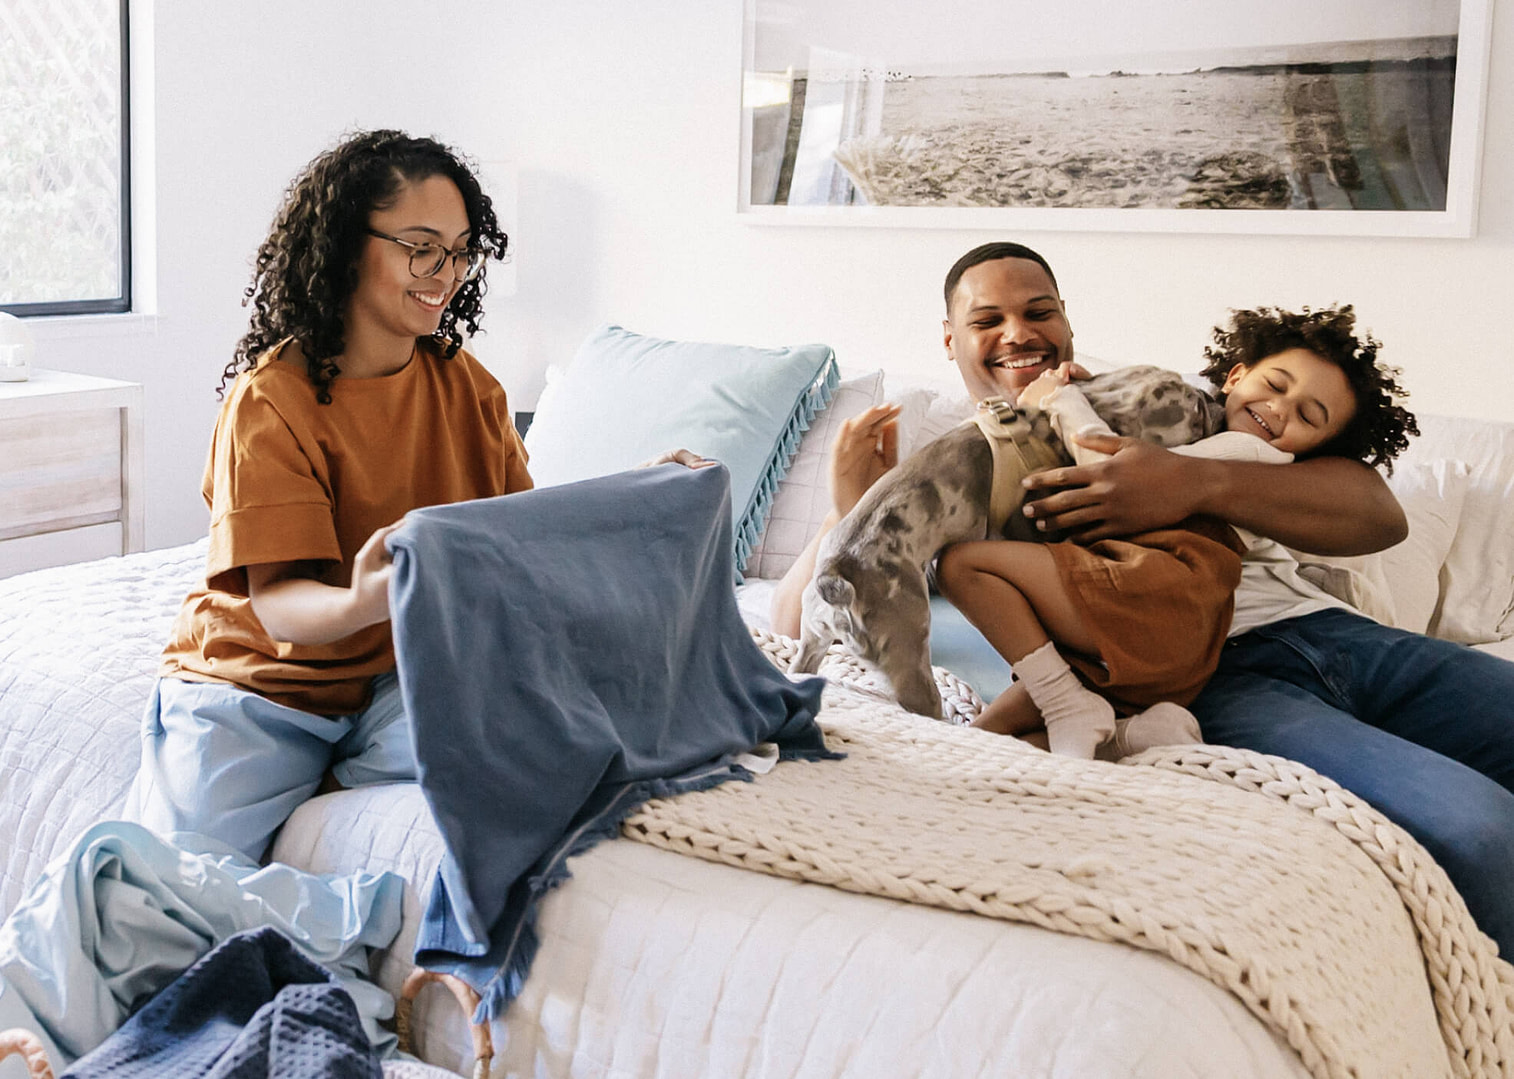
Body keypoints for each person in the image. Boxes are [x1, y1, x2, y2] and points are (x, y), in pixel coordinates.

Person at [773, 240, 1514, 958]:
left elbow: (1377, 512)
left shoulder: (1161, 408)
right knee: (1479, 828)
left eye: (1038, 311)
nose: (1017, 333)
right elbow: (790, 632)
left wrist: (1184, 478)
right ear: (949, 339)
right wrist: (850, 504)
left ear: (1066, 319)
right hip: (1213, 673)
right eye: (986, 320)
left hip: (1339, 633)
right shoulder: (935, 472)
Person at [125, 130, 699, 863]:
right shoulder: (271, 401)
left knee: (569, 737)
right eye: (421, 246)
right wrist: (367, 597)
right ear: (345, 246)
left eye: (460, 250)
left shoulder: (468, 386)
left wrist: (640, 492)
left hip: (403, 673)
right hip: (262, 687)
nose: (446, 273)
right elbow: (277, 604)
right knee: (169, 889)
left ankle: (338, 785)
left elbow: (527, 539)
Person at [935, 302, 1413, 760]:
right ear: (1235, 376)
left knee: (962, 564)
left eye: (1309, 416)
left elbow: (1113, 474)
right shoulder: (1191, 420)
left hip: (1156, 599)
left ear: (1320, 449)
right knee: (1000, 733)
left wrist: (1060, 398)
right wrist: (1103, 390)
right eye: (1275, 384)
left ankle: (1068, 710)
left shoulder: (1252, 455)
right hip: (1172, 645)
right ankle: (1131, 736)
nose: (1281, 407)